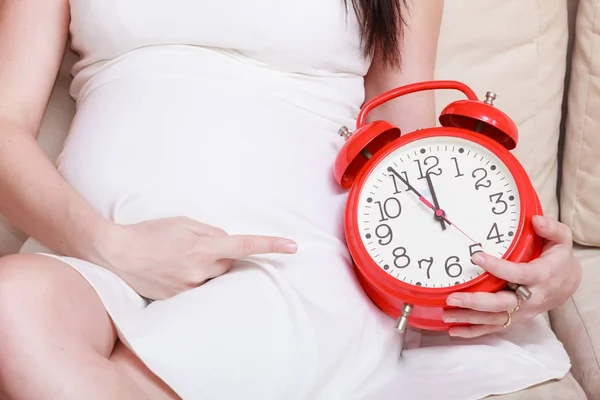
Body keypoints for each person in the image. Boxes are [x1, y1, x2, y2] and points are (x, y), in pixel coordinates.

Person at [0, 0, 581, 399]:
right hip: (92, 247)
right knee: (11, 305)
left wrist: (517, 255)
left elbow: (407, 131)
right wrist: (110, 246)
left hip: (291, 254)